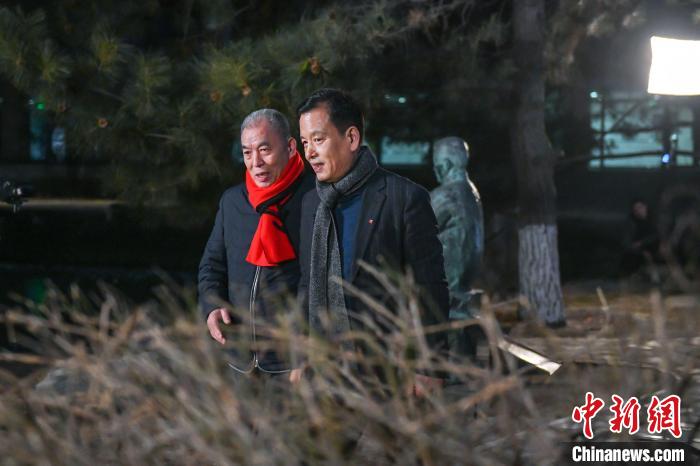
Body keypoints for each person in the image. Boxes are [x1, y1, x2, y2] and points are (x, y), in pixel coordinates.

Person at [294, 88, 449, 395]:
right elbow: (307, 284)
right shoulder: (312, 203)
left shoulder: (403, 198)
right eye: (304, 142)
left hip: (389, 373)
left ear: (351, 138)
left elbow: (429, 287)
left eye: (318, 139)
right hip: (323, 372)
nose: (309, 152)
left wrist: (430, 366)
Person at [198, 108, 314, 379]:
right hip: (239, 360)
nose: (256, 162)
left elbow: (322, 281)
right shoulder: (232, 201)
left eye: (265, 150)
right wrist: (211, 306)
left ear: (290, 147)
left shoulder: (315, 200)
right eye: (247, 153)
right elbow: (212, 265)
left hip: (292, 363)